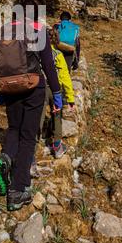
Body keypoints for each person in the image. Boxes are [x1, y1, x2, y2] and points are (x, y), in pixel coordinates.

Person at [0, 0, 62, 211]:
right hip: (33, 87)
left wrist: (1, 91)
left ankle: (5, 158)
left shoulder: (3, 30)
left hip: (9, 87)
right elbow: (49, 65)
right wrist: (57, 93)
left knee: (14, 129)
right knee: (28, 136)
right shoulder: (38, 30)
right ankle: (18, 189)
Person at [31, 27, 75, 176]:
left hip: (39, 89)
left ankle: (31, 147)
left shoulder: (36, 53)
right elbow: (65, 77)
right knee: (57, 116)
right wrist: (70, 97)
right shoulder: (58, 55)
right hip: (55, 90)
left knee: (38, 116)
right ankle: (57, 146)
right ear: (56, 39)